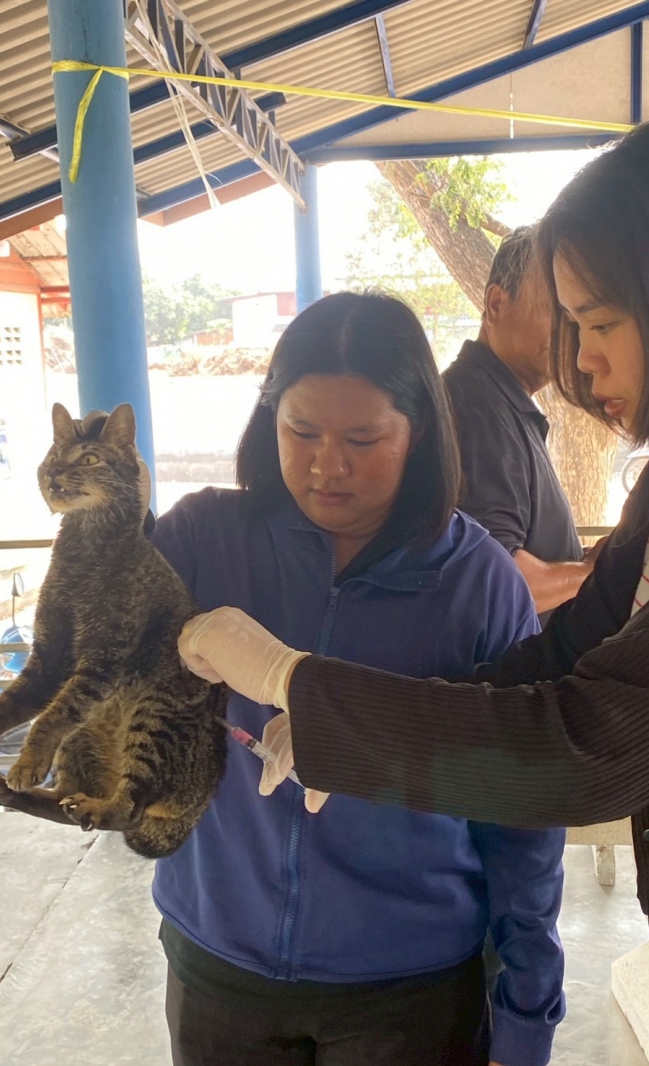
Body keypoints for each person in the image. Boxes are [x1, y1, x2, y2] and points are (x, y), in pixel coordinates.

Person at [178, 118, 649, 1066]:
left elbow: (586, 747)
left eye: (602, 324)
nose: (583, 362)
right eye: (574, 328)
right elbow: (560, 657)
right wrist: (342, 727)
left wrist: (293, 679)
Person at [156, 292, 565, 1066]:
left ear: (420, 432)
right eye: (301, 431)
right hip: (221, 966)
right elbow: (88, 660)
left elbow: (523, 812)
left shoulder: (479, 584)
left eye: (363, 439)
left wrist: (527, 1010)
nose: (327, 465)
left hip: (408, 988)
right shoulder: (201, 539)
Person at [442, 226, 594, 619]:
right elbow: (496, 581)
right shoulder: (477, 407)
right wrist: (594, 574)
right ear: (496, 304)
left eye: (577, 317)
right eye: (557, 312)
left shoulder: (500, 401)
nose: (572, 335)